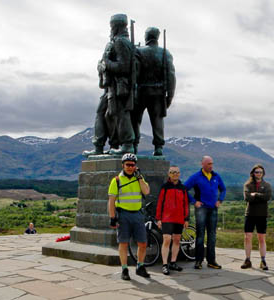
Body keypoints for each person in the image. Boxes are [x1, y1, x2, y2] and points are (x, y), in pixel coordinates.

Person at [132, 27, 176, 156]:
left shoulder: (138, 52)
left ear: (147, 36)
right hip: (158, 93)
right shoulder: (165, 53)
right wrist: (170, 94)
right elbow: (171, 75)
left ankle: (134, 145)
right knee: (157, 120)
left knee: (135, 119)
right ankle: (158, 147)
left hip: (141, 91)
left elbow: (134, 73)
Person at [97, 14, 135, 155]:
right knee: (108, 115)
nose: (110, 29)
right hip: (113, 86)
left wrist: (106, 62)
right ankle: (113, 144)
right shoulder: (120, 41)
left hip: (121, 86)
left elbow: (123, 67)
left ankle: (127, 144)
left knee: (121, 114)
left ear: (116, 27)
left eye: (112, 26)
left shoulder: (120, 42)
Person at [108, 153, 150, 280]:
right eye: (128, 164)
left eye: (132, 165)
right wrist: (112, 217)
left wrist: (140, 178)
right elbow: (111, 200)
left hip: (137, 214)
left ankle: (140, 266)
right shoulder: (116, 180)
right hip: (123, 214)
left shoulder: (139, 178)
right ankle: (124, 269)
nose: (130, 167)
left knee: (142, 243)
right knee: (124, 243)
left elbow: (146, 191)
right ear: (123, 165)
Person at [185, 156, 226, 269]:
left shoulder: (216, 176)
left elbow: (223, 189)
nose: (211, 166)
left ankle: (211, 261)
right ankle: (198, 261)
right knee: (200, 235)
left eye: (212, 163)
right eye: (208, 164)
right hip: (201, 209)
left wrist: (220, 200)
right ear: (202, 164)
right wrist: (194, 202)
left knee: (212, 236)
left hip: (213, 209)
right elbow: (184, 189)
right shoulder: (196, 177)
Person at [156, 165, 189, 275]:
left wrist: (186, 218)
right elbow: (160, 203)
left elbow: (186, 204)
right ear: (169, 174)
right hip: (167, 218)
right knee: (166, 239)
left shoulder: (183, 188)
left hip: (179, 218)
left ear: (179, 174)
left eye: (177, 172)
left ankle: (173, 262)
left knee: (176, 240)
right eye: (173, 172)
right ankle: (165, 264)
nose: (175, 174)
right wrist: (158, 218)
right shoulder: (165, 187)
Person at [241, 164, 272, 271]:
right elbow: (247, 198)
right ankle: (247, 260)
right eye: (257, 172)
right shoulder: (247, 185)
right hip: (250, 214)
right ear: (253, 173)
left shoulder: (267, 185)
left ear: (263, 173)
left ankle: (263, 261)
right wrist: (258, 196)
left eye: (260, 172)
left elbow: (267, 197)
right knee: (247, 237)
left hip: (262, 215)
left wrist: (255, 195)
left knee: (261, 238)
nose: (258, 174)